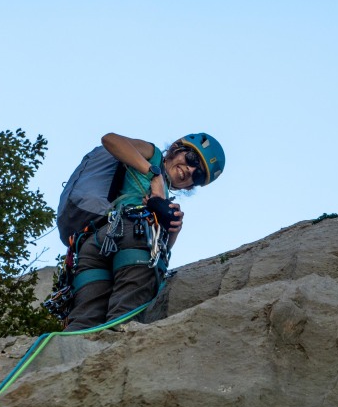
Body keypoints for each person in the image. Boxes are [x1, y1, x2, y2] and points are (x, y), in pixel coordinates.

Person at [64, 132, 225, 330]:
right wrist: (154, 173)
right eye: (191, 158)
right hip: (132, 235)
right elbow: (110, 140)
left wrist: (173, 228)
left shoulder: (166, 199)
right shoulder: (153, 154)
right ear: (176, 148)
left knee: (83, 323)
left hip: (94, 244)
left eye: (198, 175)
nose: (190, 170)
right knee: (123, 320)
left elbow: (162, 253)